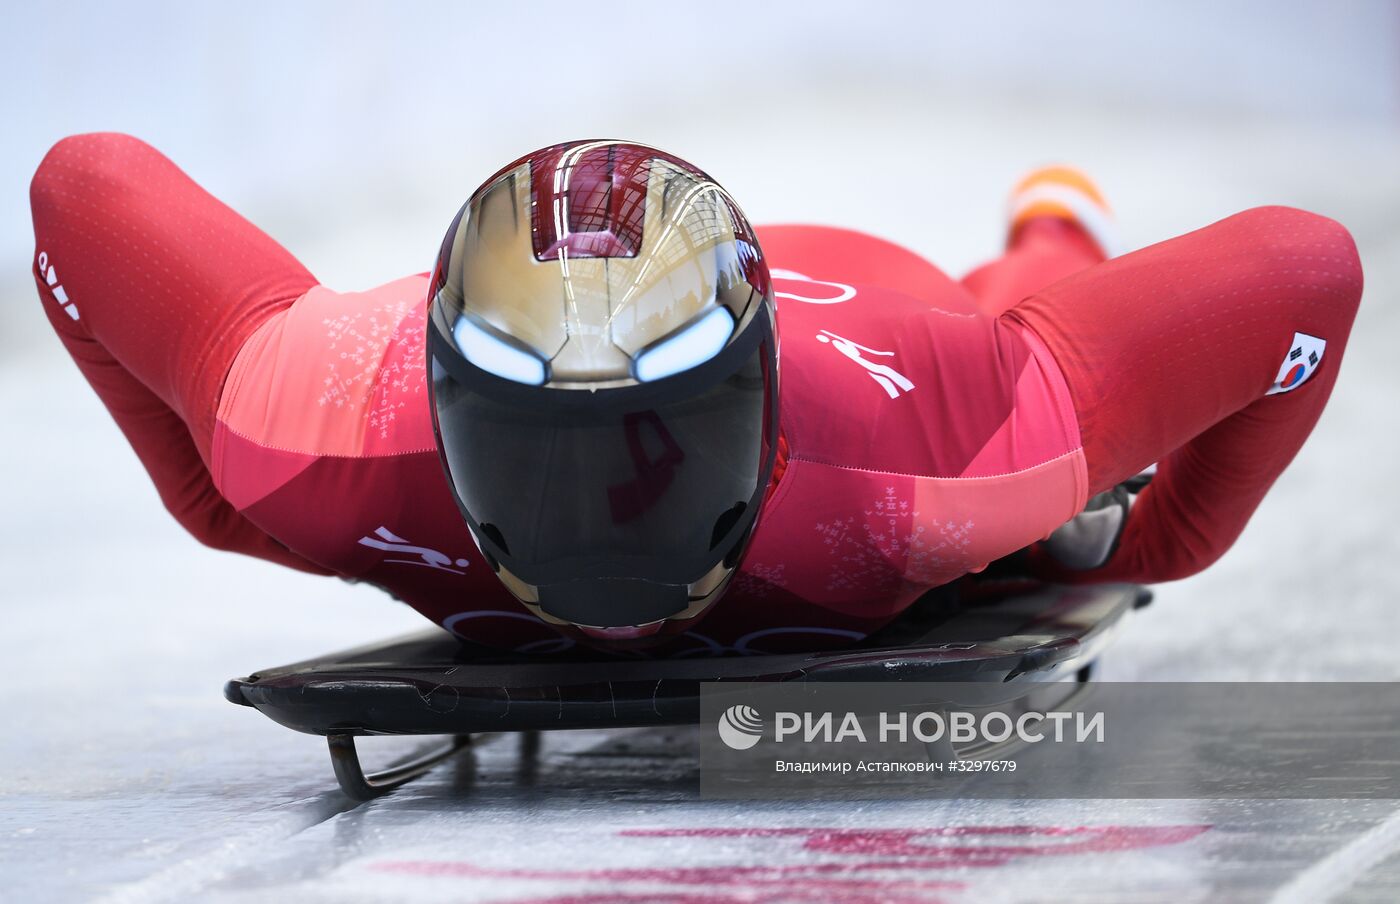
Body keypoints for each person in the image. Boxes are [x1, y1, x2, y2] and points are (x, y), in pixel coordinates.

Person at [29, 134, 1363, 656]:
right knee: (1060, 449)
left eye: (649, 445)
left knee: (1023, 305)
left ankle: (1055, 224)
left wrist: (1147, 535)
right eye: (541, 459)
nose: (602, 515)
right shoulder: (303, 426)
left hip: (890, 319)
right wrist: (1148, 540)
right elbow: (1308, 274)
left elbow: (82, 191)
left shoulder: (956, 443)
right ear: (442, 407)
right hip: (891, 451)